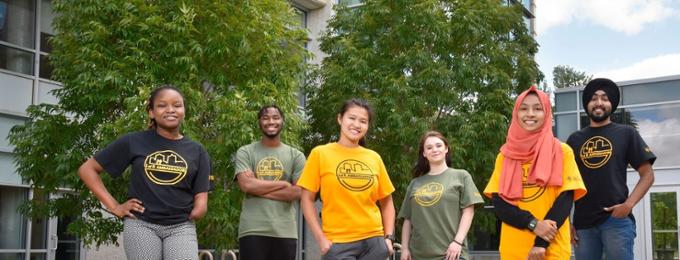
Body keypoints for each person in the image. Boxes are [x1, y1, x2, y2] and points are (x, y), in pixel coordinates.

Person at [78, 85, 211, 260]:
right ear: (151, 112)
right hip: (141, 225)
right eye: (162, 105)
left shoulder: (197, 150)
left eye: (177, 105)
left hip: (181, 226)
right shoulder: (134, 141)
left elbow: (201, 197)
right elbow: (87, 170)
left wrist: (199, 209)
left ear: (184, 111)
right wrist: (115, 206)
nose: (170, 110)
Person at [483, 86, 587, 260]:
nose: (530, 114)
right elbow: (500, 204)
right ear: (516, 114)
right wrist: (534, 224)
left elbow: (565, 200)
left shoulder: (562, 151)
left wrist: (540, 243)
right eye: (523, 108)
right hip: (514, 249)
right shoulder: (504, 156)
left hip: (551, 249)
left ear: (546, 114)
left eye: (538, 109)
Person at [567, 78, 656, 260]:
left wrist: (628, 205)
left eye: (605, 98)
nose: (599, 102)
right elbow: (566, 186)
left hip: (616, 221)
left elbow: (647, 175)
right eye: (594, 98)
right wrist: (567, 221)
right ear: (587, 104)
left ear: (611, 104)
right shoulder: (574, 140)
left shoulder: (626, 133)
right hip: (583, 225)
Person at [297, 98, 396, 260]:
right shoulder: (320, 154)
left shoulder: (374, 158)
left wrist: (388, 238)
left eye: (363, 121)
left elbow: (387, 202)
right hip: (338, 244)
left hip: (374, 243)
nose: (357, 125)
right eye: (352, 118)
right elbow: (306, 200)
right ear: (340, 119)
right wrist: (320, 238)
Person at [234, 105, 306, 260]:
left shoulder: (296, 156)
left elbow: (298, 192)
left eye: (275, 117)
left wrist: (256, 186)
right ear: (259, 122)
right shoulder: (246, 152)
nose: (270, 121)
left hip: (285, 230)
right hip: (252, 229)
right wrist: (283, 184)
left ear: (282, 121)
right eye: (265, 118)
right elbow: (246, 185)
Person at [398, 131, 484, 260]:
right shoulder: (415, 183)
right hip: (418, 255)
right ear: (424, 153)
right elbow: (407, 219)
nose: (434, 150)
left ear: (446, 149)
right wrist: (404, 248)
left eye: (438, 145)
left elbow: (469, 211)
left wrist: (457, 242)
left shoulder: (461, 176)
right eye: (429, 147)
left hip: (451, 253)